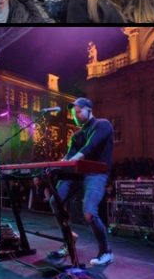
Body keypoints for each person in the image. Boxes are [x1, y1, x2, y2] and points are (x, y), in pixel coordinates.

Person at [48, 98, 114, 267]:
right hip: (77, 174)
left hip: (96, 174)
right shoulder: (76, 135)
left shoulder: (103, 124)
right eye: (73, 113)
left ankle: (106, 252)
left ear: (89, 110)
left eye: (78, 112)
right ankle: (69, 237)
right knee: (55, 200)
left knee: (89, 213)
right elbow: (68, 156)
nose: (75, 116)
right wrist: (54, 166)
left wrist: (71, 161)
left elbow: (89, 148)